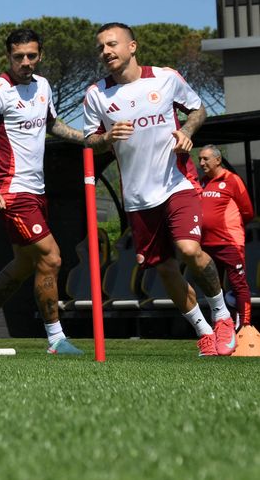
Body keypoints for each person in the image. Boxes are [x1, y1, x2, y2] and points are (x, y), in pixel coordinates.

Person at [82, 22, 231, 355]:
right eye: (101, 48)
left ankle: (222, 315)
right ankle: (204, 331)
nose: (106, 52)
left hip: (177, 184)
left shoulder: (165, 78)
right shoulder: (96, 95)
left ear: (132, 46)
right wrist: (106, 139)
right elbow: (89, 141)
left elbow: (197, 109)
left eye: (112, 44)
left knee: (189, 250)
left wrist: (187, 131)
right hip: (137, 198)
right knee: (163, 267)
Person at [0, 27, 88, 353]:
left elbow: (53, 126)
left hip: (37, 190)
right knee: (51, 257)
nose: (26, 62)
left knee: (22, 263)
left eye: (31, 55)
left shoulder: (43, 86)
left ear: (40, 55)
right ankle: (55, 338)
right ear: (9, 57)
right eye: (19, 56)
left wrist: (91, 139)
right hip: (12, 191)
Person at [195, 145, 253, 329]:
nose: (201, 163)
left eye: (205, 159)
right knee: (213, 288)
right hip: (206, 245)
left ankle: (245, 326)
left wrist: (228, 228)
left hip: (229, 243)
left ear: (218, 160)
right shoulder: (202, 182)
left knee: (239, 285)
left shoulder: (232, 180)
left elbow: (248, 212)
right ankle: (221, 327)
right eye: (200, 159)